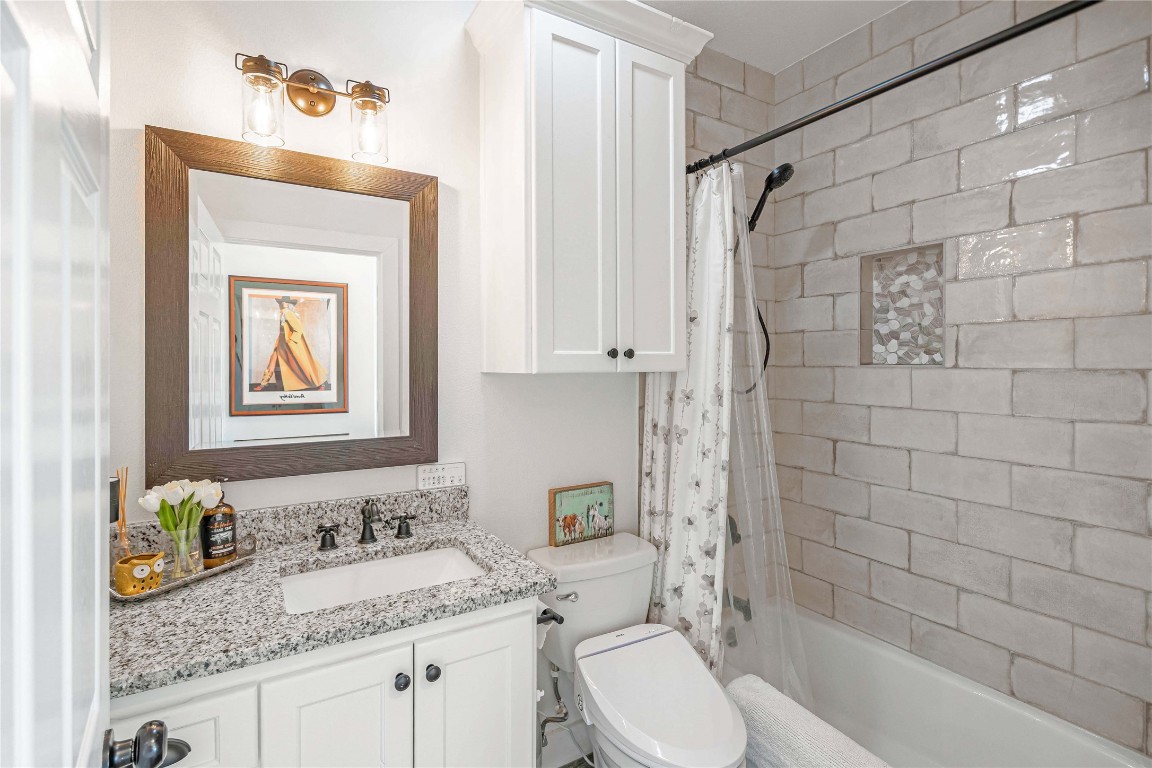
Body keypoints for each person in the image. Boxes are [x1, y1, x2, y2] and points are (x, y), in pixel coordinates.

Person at [253, 296, 329, 392]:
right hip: (281, 344)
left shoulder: (287, 313)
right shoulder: (283, 313)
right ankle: (263, 384)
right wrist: (279, 343)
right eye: (280, 303)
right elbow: (283, 331)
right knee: (271, 362)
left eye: (283, 303)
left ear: (287, 304)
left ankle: (320, 383)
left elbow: (298, 329)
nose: (281, 305)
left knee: (304, 366)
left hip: (290, 346)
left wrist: (291, 342)